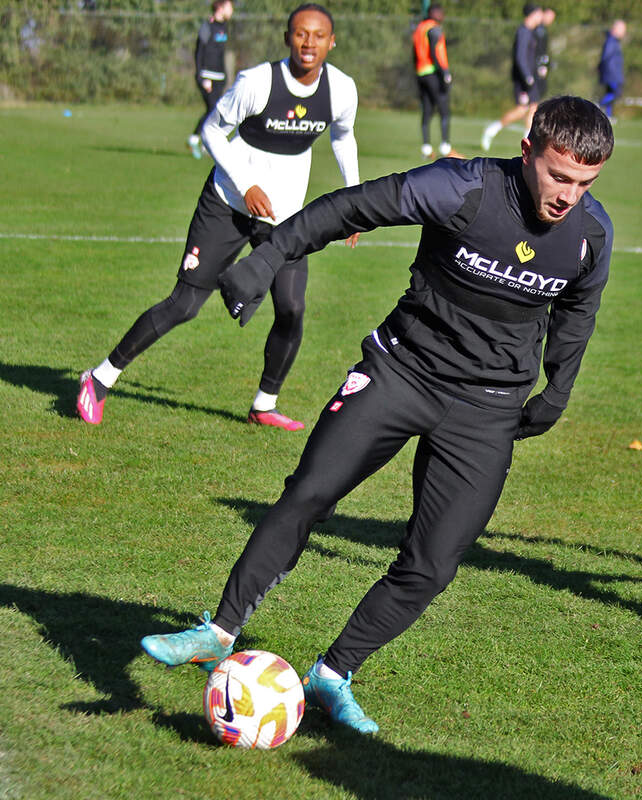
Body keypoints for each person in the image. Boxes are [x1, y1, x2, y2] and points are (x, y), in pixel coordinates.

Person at [139, 96, 615, 733]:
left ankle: (333, 674)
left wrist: (557, 389)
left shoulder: (591, 235)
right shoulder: (462, 188)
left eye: (585, 183)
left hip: (488, 408)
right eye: (559, 176)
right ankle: (219, 631)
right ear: (527, 151)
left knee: (434, 562)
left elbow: (578, 312)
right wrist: (267, 257)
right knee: (309, 492)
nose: (568, 196)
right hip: (401, 371)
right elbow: (350, 207)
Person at [76, 4, 360, 431]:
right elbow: (212, 129)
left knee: (292, 308)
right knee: (185, 304)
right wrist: (246, 184)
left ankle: (264, 405)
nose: (309, 43)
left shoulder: (341, 90)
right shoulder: (257, 83)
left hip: (284, 219)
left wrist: (352, 200)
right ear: (288, 38)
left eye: (318, 36)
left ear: (332, 42)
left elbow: (343, 137)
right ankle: (99, 379)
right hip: (227, 204)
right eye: (301, 34)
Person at [481, 4, 542, 152]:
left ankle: (528, 142)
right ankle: (492, 129)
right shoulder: (523, 32)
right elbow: (520, 57)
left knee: (533, 108)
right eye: (539, 13)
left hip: (530, 77)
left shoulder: (532, 32)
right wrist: (526, 76)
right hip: (523, 79)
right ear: (532, 14)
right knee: (522, 110)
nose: (541, 17)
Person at [189, 0, 234, 160]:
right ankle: (195, 139)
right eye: (229, 7)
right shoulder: (207, 26)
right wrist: (202, 77)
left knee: (215, 111)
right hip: (207, 77)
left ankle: (203, 143)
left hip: (220, 77)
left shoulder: (224, 27)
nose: (232, 10)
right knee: (212, 110)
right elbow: (199, 52)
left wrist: (225, 76)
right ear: (220, 8)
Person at [411, 3, 457, 158]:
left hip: (421, 73)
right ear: (435, 13)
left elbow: (415, 53)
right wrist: (444, 73)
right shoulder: (434, 28)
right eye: (441, 13)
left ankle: (426, 149)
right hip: (433, 73)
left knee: (427, 110)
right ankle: (445, 147)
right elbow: (434, 52)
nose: (443, 16)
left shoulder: (420, 28)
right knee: (444, 110)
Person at [597, 19, 625, 119]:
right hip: (612, 74)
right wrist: (606, 71)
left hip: (614, 73)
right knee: (615, 94)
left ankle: (608, 115)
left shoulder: (614, 41)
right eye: (622, 29)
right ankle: (598, 105)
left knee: (610, 93)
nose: (624, 32)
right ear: (615, 29)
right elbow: (605, 58)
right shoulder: (611, 41)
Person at [534, 7, 555, 99]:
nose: (551, 21)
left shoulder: (542, 29)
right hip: (536, 66)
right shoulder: (538, 30)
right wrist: (540, 65)